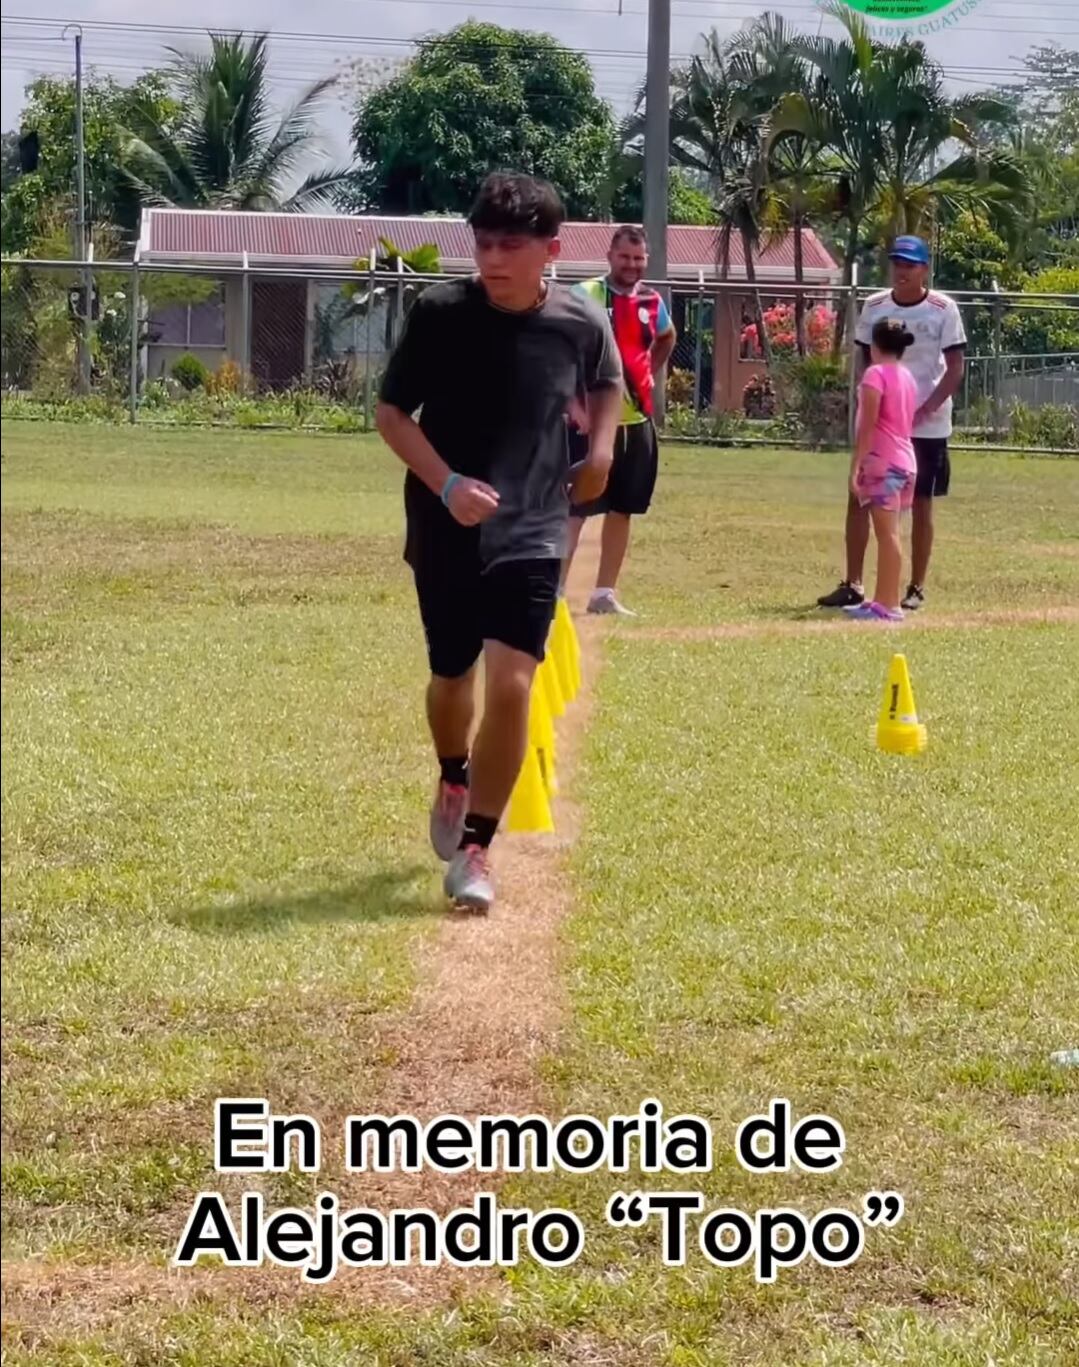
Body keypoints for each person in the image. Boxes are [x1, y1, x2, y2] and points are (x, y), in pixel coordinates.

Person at [375, 172, 623, 914]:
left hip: (534, 527)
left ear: (551, 250)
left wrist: (601, 452)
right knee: (452, 677)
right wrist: (448, 484)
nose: (492, 259)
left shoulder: (579, 320)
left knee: (512, 683)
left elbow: (606, 381)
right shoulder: (440, 313)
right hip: (445, 522)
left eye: (510, 246)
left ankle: (477, 847)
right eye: (483, 244)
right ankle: (453, 772)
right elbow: (391, 414)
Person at [817, 235, 966, 613]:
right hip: (883, 426)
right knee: (860, 496)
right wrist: (871, 400)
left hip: (926, 426)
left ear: (924, 269)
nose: (902, 271)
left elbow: (955, 368)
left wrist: (926, 408)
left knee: (921, 503)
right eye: (897, 263)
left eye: (910, 265)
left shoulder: (942, 308)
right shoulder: (875, 305)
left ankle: (915, 586)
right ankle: (853, 583)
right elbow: (864, 359)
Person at [560, 225, 677, 616]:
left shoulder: (651, 301)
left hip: (636, 423)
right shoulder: (585, 294)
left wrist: (646, 375)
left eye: (638, 258)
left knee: (623, 508)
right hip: (589, 424)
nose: (631, 264)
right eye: (625, 257)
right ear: (610, 256)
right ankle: (554, 593)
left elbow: (667, 336)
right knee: (575, 508)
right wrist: (574, 405)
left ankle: (603, 594)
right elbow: (559, 351)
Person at [843, 319, 919, 622]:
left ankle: (889, 605)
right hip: (905, 461)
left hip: (883, 463)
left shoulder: (875, 375)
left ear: (874, 346)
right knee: (891, 533)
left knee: (887, 535)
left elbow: (868, 425)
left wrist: (857, 465)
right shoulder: (907, 377)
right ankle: (881, 599)